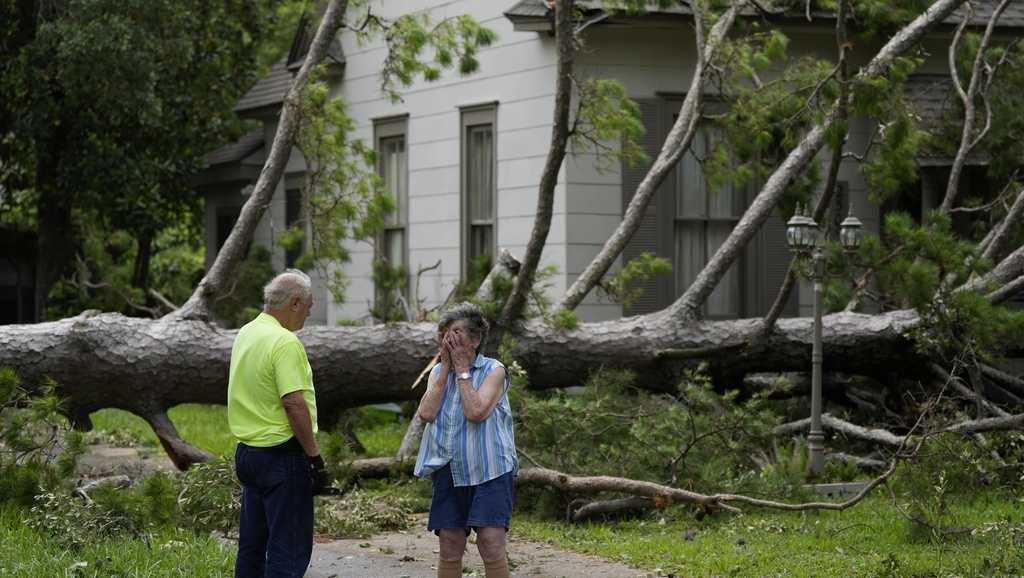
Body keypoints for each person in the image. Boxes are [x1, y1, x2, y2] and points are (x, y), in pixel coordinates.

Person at [227, 269, 328, 578]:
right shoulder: (285, 343)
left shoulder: (247, 332)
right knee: (289, 549)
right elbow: (293, 403)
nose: (308, 315)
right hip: (282, 456)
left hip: (249, 454)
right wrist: (314, 457)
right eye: (309, 307)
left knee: (252, 548)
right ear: (295, 303)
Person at [414, 302, 518, 578]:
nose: (451, 339)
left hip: (490, 470)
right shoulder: (437, 373)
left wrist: (462, 370)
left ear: (475, 339)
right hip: (449, 469)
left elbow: (475, 412)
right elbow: (425, 413)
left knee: (491, 543)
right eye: (446, 333)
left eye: (458, 333)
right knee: (449, 544)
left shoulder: (494, 370)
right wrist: (446, 368)